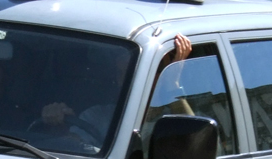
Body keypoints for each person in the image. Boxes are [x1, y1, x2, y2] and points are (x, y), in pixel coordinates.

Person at [39, 34, 192, 144]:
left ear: (162, 74)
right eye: (120, 73)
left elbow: (195, 139)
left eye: (135, 73)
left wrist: (173, 84)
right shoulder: (99, 115)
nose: (124, 80)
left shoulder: (180, 113)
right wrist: (57, 125)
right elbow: (74, 146)